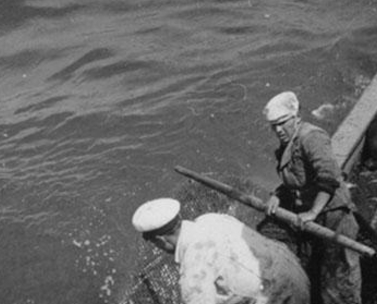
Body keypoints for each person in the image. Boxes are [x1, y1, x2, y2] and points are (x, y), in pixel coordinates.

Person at [257, 91, 361, 304]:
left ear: (295, 117)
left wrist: (313, 212)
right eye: (273, 126)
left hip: (333, 217)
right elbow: (297, 180)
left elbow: (329, 178)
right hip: (309, 218)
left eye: (282, 123)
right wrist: (278, 195)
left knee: (338, 282)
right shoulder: (286, 146)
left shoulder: (311, 137)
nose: (278, 130)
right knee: (312, 273)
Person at [132, 197, 310, 304]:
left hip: (282, 297)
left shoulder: (193, 269)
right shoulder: (210, 219)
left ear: (159, 240)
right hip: (296, 274)